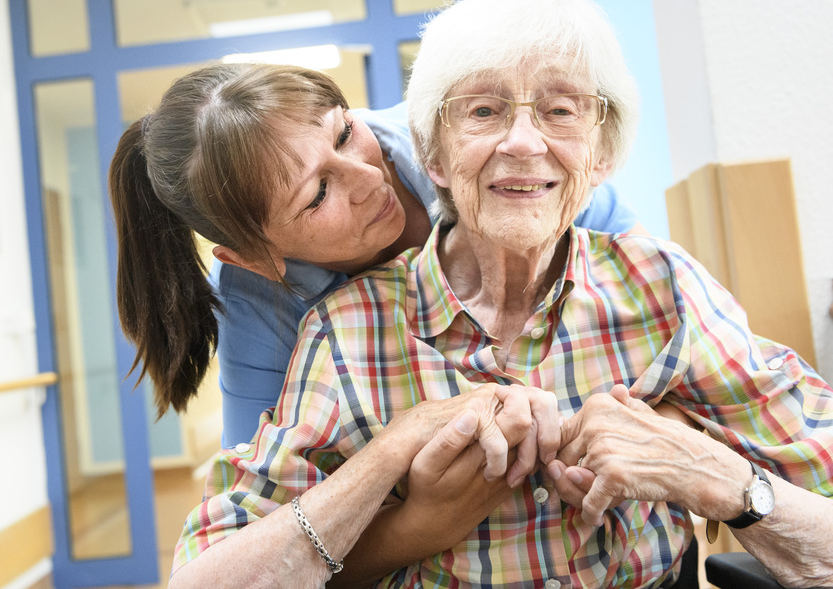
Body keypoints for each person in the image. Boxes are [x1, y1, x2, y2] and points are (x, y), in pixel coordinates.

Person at [172, 0, 833, 588]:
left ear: (602, 154)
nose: (523, 142)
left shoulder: (659, 286)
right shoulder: (341, 331)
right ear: (433, 154)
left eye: (560, 109)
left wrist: (711, 472)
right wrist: (397, 448)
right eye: (484, 110)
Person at [109, 64, 641, 448]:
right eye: (317, 195)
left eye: (344, 134)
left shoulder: (466, 142)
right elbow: (258, 497)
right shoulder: (257, 295)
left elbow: (660, 313)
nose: (369, 177)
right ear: (252, 257)